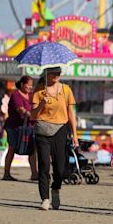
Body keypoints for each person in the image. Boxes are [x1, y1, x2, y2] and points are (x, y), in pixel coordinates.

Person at [31, 67, 78, 211]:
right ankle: (45, 198)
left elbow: (71, 113)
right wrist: (42, 104)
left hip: (61, 130)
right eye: (54, 73)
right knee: (44, 165)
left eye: (59, 73)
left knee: (60, 167)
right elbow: (33, 115)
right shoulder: (39, 90)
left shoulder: (66, 89)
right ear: (47, 74)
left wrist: (75, 135)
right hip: (43, 131)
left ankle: (56, 188)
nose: (57, 75)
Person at [2, 76, 38, 181]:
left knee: (32, 150)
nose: (30, 87)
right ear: (22, 84)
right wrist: (30, 114)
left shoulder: (31, 96)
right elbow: (20, 109)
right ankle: (6, 173)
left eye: (31, 85)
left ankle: (34, 173)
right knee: (12, 148)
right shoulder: (16, 95)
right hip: (15, 127)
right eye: (28, 85)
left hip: (28, 127)